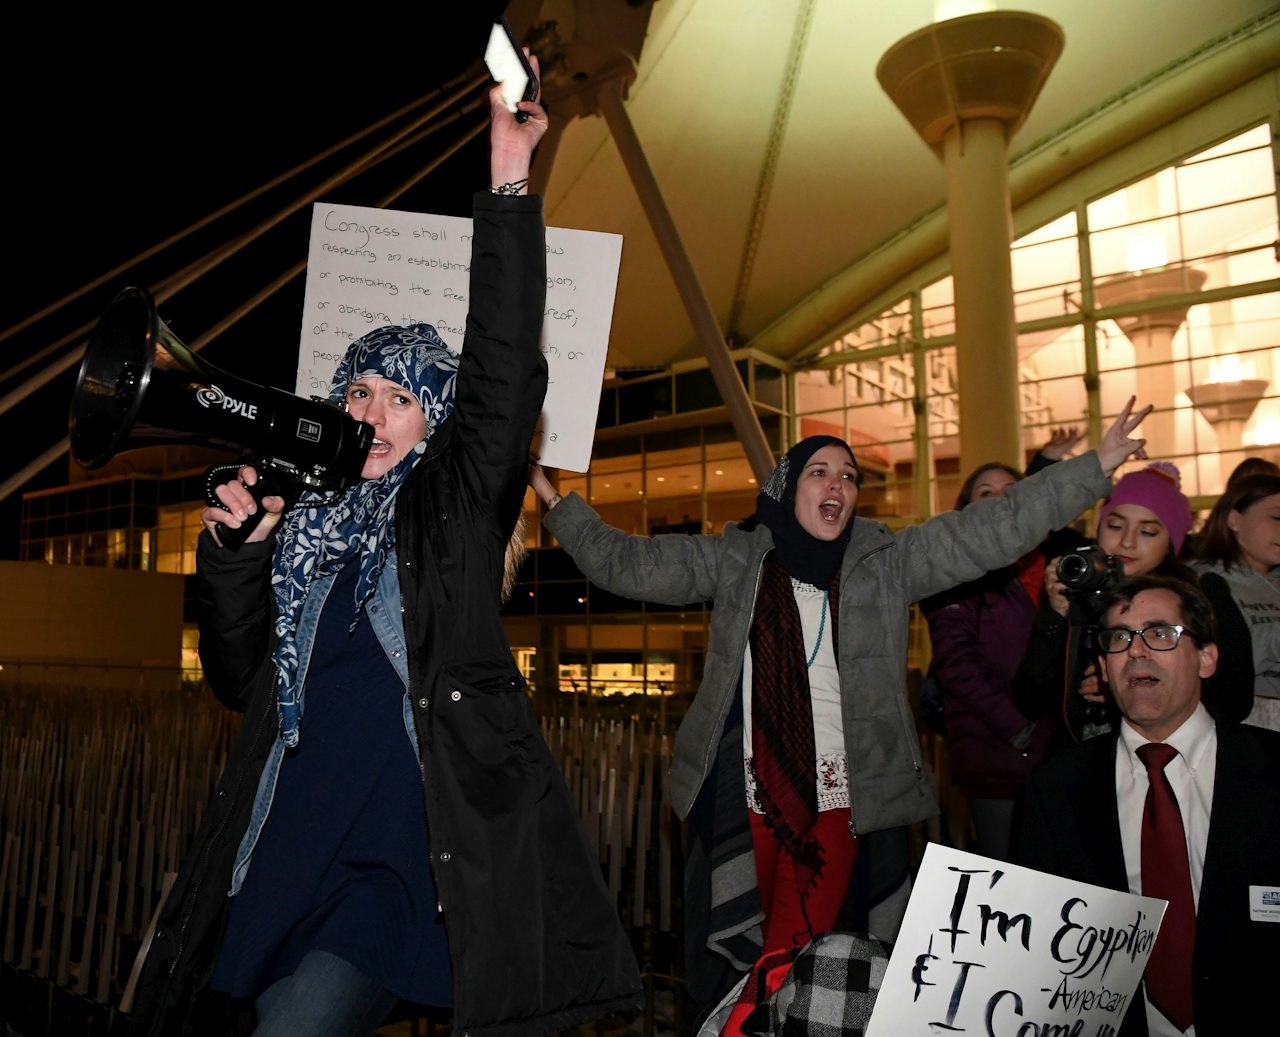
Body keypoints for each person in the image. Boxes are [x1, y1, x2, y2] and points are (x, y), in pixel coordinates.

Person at [128, 62, 642, 1037]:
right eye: (358, 389)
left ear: (433, 425)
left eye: (399, 396)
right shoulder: (302, 523)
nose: (370, 408)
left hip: (395, 856)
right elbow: (239, 678)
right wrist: (236, 555)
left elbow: (502, 369)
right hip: (288, 837)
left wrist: (506, 187)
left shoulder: (450, 512)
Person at [529, 400, 1152, 1033]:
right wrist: (552, 497)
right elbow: (627, 562)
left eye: (849, 476)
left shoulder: (888, 562)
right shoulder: (735, 559)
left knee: (796, 954)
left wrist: (1093, 467)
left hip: (838, 802)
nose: (838, 484)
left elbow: (991, 529)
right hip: (743, 798)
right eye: (820, 471)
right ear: (787, 488)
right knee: (742, 954)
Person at [1018, 575, 1280, 1036]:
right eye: (1118, 639)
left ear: (1206, 658)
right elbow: (1035, 948)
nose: (1136, 651)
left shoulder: (1274, 770)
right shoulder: (1055, 787)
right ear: (1102, 666)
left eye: (1160, 633)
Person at [1012, 461, 1253, 740]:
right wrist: (1056, 614)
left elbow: (1236, 699)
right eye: (1115, 526)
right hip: (1090, 765)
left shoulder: (1203, 593)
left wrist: (1131, 693)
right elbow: (1030, 701)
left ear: (1170, 544)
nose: (1127, 542)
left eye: (1147, 532)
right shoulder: (1079, 593)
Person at [921, 454, 1084, 861]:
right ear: (965, 509)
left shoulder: (1060, 565)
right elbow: (956, 665)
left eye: (1010, 492)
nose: (998, 500)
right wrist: (1018, 728)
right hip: (997, 751)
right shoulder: (958, 574)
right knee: (1006, 874)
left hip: (1062, 751)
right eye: (985, 492)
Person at [1193, 473, 1280, 731]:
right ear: (1234, 519)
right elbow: (1215, 659)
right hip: (1242, 721)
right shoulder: (1203, 581)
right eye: (1276, 518)